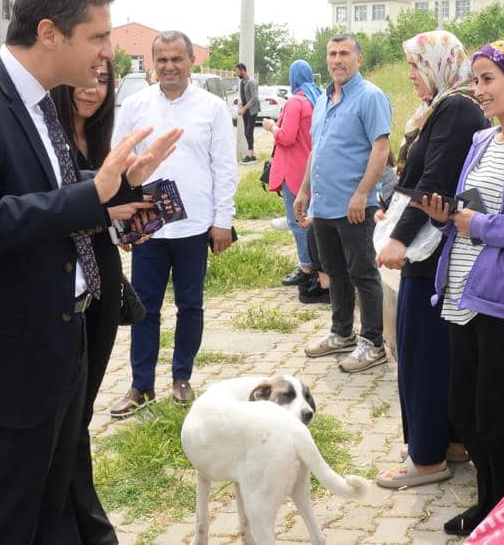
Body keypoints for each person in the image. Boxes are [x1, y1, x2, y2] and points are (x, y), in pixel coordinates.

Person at [0, 0, 180, 543]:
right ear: (51, 32)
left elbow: (45, 188)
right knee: (5, 525)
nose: (108, 53)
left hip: (59, 348)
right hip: (4, 365)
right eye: (98, 37)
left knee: (54, 516)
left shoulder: (37, 99)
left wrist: (123, 183)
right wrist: (93, 193)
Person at [417, 40, 504, 536]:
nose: (478, 90)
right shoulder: (483, 140)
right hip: (462, 288)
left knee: (498, 414)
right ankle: (489, 504)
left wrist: (477, 225)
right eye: (475, 79)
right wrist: (447, 217)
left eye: (487, 79)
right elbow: (469, 211)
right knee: (465, 410)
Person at [374, 31, 488, 490]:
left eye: (417, 67)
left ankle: (425, 458)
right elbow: (418, 177)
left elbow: (436, 181)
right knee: (439, 354)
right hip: (437, 248)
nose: (412, 77)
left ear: (438, 64)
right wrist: (393, 205)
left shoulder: (455, 108)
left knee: (421, 354)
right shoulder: (447, 106)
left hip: (430, 253)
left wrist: (398, 239)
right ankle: (451, 443)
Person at [110, 30, 238, 416]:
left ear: (190, 62)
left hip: (194, 224)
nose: (169, 66)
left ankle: (182, 377)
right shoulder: (134, 107)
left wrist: (222, 220)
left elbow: (224, 166)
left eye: (176, 59)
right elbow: (117, 164)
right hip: (148, 226)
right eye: (161, 59)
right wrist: (120, 222)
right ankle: (141, 385)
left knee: (190, 305)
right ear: (152, 63)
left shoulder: (212, 107)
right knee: (144, 307)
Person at [49, 61, 124, 543]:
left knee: (82, 410)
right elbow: (53, 213)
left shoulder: (101, 138)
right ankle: (86, 526)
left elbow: (107, 217)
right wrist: (103, 208)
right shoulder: (45, 135)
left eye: (102, 81)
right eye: (83, 79)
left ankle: (82, 521)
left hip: (101, 277)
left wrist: (128, 218)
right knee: (68, 419)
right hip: (64, 284)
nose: (91, 90)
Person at [294, 34, 392, 373]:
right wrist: (304, 191)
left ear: (359, 59)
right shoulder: (322, 99)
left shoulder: (370, 97)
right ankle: (341, 333)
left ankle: (372, 342)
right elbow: (315, 149)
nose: (337, 60)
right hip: (324, 204)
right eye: (332, 54)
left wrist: (363, 192)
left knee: (362, 272)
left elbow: (380, 149)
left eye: (345, 53)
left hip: (355, 205)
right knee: (333, 272)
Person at [263, 59, 321, 287]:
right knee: (315, 221)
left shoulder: (295, 103)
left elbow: (286, 137)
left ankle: (306, 268)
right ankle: (319, 267)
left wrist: (271, 127)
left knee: (297, 220)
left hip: (293, 171)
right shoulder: (317, 98)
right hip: (312, 168)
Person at [236, 62, 260, 163]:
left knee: (248, 132)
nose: (237, 74)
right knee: (247, 132)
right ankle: (253, 154)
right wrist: (241, 105)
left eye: (237, 72)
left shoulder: (252, 82)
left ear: (242, 70)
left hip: (252, 110)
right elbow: (243, 96)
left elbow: (254, 98)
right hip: (245, 110)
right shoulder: (242, 82)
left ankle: (249, 154)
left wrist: (244, 108)